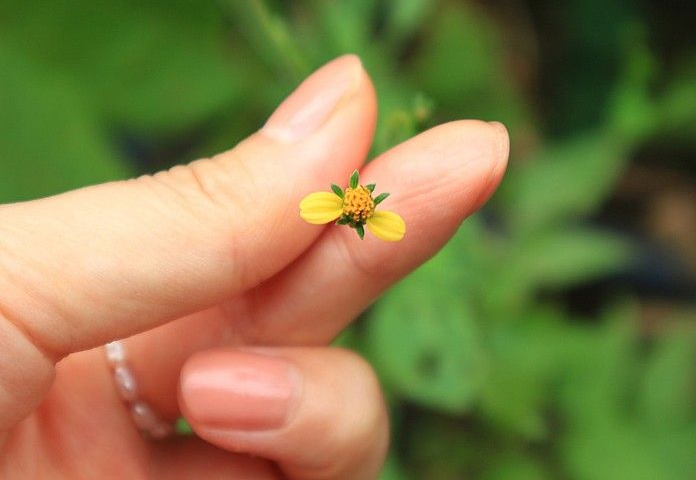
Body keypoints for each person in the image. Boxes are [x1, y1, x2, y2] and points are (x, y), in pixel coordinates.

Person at [0, 55, 509, 479]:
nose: (361, 205)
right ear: (354, 201)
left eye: (362, 207)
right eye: (359, 204)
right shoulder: (329, 206)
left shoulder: (373, 217)